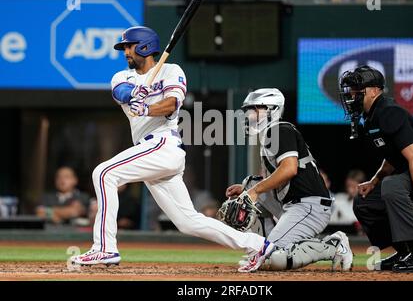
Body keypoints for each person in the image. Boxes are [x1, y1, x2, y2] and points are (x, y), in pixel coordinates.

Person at [70, 26, 273, 272]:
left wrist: (146, 106)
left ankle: (105, 248)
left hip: (163, 144)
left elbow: (171, 104)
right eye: (124, 47)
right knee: (188, 222)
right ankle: (257, 244)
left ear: (144, 46)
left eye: (129, 46)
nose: (125, 51)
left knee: (104, 173)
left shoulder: (171, 70)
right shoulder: (124, 77)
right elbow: (120, 92)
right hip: (151, 152)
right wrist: (136, 93)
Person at [224, 88, 353, 271]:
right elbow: (271, 181)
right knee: (250, 186)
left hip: (310, 205)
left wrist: (254, 190)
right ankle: (260, 249)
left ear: (271, 109)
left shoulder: (279, 129)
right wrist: (247, 188)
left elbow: (289, 169)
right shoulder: (271, 133)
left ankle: (334, 245)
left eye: (255, 109)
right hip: (292, 204)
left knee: (275, 259)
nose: (250, 115)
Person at [339, 65, 413, 273]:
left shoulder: (389, 111)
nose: (352, 95)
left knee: (392, 185)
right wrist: (373, 181)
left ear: (374, 90)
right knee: (365, 200)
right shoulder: (372, 115)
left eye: (357, 90)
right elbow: (392, 157)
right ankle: (405, 250)